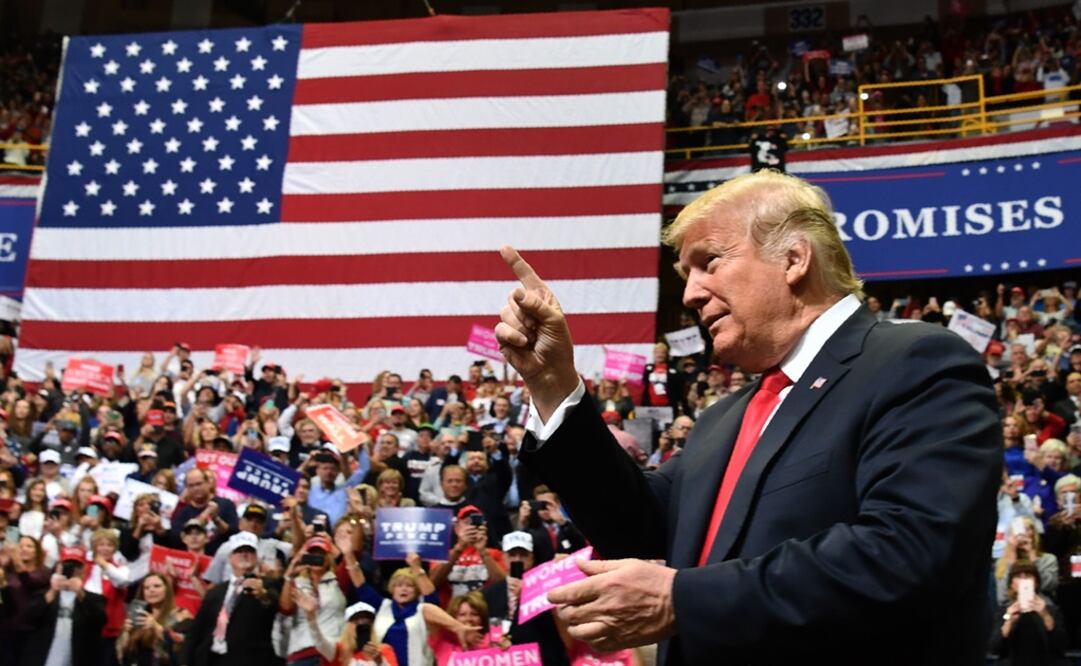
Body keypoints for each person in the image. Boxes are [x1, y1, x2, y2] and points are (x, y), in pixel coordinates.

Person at [494, 169, 1001, 663]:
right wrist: (553, 383)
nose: (690, 294)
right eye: (686, 275)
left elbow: (909, 552)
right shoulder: (723, 419)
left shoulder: (915, 361)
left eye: (709, 262)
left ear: (794, 258)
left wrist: (684, 599)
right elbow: (636, 528)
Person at [180, 532, 282, 666]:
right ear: (230, 557)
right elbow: (197, 629)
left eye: (249, 551)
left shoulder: (268, 584)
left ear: (256, 557)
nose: (244, 554)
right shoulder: (216, 592)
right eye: (239, 551)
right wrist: (185, 661)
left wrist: (262, 594)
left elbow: (275, 603)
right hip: (213, 659)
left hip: (250, 660)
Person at [481, 531, 569, 666]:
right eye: (512, 554)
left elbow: (557, 625)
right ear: (503, 557)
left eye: (523, 554)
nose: (517, 559)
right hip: (506, 659)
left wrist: (529, 593)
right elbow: (487, 627)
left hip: (545, 659)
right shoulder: (490, 593)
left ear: (532, 557)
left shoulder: (547, 587)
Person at [19, 546, 107, 666]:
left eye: (77, 566)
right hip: (43, 658)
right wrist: (52, 592)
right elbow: (27, 619)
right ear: (58, 567)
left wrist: (80, 593)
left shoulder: (93, 598)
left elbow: (100, 621)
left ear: (84, 569)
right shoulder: (43, 594)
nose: (72, 570)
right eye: (67, 565)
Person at [988, 560, 1069, 665]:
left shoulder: (1051, 610)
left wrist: (1045, 615)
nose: (1023, 580)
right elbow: (994, 649)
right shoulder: (1004, 611)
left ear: (1036, 582)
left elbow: (1061, 646)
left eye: (1028, 576)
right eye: (1018, 576)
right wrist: (1008, 621)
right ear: (1011, 584)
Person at [428, 505, 506, 605]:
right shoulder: (441, 554)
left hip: (485, 610)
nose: (472, 527)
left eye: (476, 522)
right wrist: (458, 548)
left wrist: (483, 552)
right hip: (449, 611)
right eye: (467, 522)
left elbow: (504, 587)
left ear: (484, 527)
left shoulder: (495, 554)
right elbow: (432, 584)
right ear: (456, 527)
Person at [116, 572, 192, 666]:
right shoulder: (139, 615)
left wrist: (156, 627)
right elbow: (121, 654)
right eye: (146, 588)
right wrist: (126, 632)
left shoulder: (181, 616)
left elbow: (184, 649)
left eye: (157, 586)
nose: (151, 590)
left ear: (167, 589)